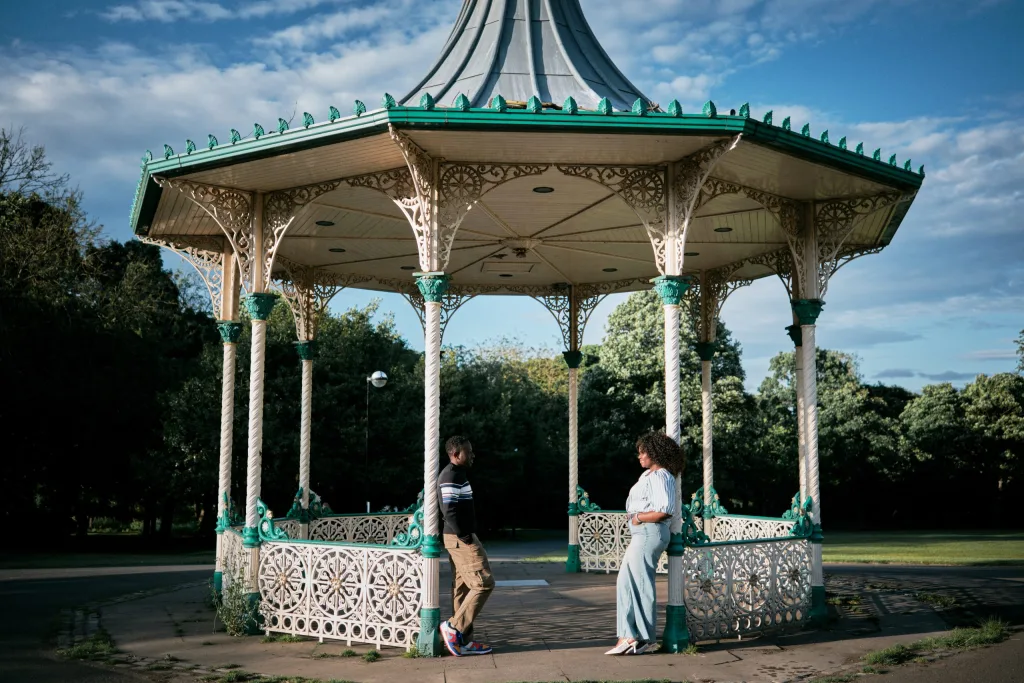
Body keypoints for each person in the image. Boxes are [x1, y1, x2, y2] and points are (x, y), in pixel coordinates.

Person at [605, 431, 684, 655]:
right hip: (641, 534)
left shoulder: (662, 476)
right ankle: (627, 635)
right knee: (625, 583)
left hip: (650, 533)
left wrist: (638, 518)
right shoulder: (648, 476)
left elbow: (665, 510)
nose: (639, 457)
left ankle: (643, 638)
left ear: (655, 453)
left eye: (643, 452)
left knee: (640, 583)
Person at [437, 435, 494, 657]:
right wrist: (465, 537)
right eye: (468, 452)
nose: (472, 455)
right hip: (461, 539)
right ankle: (453, 628)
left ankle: (463, 641)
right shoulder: (450, 475)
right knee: (484, 582)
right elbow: (449, 510)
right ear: (455, 454)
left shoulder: (457, 474)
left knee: (463, 588)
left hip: (458, 537)